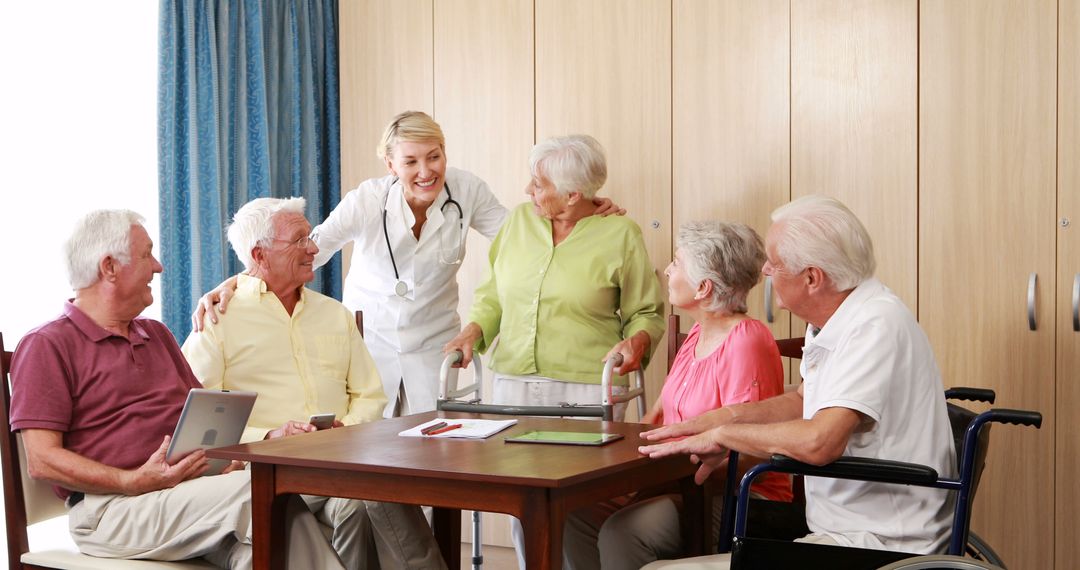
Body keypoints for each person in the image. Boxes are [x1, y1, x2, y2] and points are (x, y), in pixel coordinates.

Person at [193, 111, 624, 418]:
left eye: (434, 157)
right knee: (373, 456)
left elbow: (521, 238)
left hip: (433, 346)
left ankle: (429, 546)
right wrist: (236, 282)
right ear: (390, 164)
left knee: (436, 459)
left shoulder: (466, 192)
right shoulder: (367, 200)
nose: (425, 171)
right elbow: (309, 249)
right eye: (411, 161)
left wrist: (580, 204)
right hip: (370, 347)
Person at [9, 209, 343, 569]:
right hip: (110, 508)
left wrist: (233, 454)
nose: (158, 267)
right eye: (146, 255)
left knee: (264, 550)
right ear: (109, 267)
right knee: (265, 495)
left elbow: (204, 423)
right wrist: (131, 480)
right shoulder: (47, 343)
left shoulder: (155, 335)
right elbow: (42, 460)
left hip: (183, 495)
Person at [638, 195, 956, 569]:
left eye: (775, 263)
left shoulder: (875, 325)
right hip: (843, 530)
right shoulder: (835, 320)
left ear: (811, 278)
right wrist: (722, 418)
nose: (765, 272)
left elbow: (820, 441)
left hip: (880, 540)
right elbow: (803, 400)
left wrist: (724, 437)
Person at [180, 197, 445, 570]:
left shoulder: (334, 314)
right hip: (269, 473)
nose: (314, 248)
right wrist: (270, 435)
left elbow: (370, 396)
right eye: (300, 239)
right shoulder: (217, 320)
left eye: (311, 237)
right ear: (260, 254)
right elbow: (199, 423)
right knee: (376, 492)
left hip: (343, 462)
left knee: (365, 498)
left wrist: (342, 435)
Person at [443, 134, 666, 568]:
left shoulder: (620, 233)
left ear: (573, 194)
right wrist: (473, 331)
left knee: (579, 503)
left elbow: (647, 312)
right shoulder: (517, 224)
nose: (529, 190)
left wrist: (637, 341)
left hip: (584, 386)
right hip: (513, 382)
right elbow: (492, 296)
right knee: (521, 501)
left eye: (538, 183)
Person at [562, 221, 790, 570]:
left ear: (703, 287)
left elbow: (745, 452)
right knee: (573, 514)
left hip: (740, 497)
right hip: (677, 482)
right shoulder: (699, 331)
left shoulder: (746, 340)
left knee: (623, 531)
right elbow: (656, 418)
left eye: (676, 262)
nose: (667, 270)